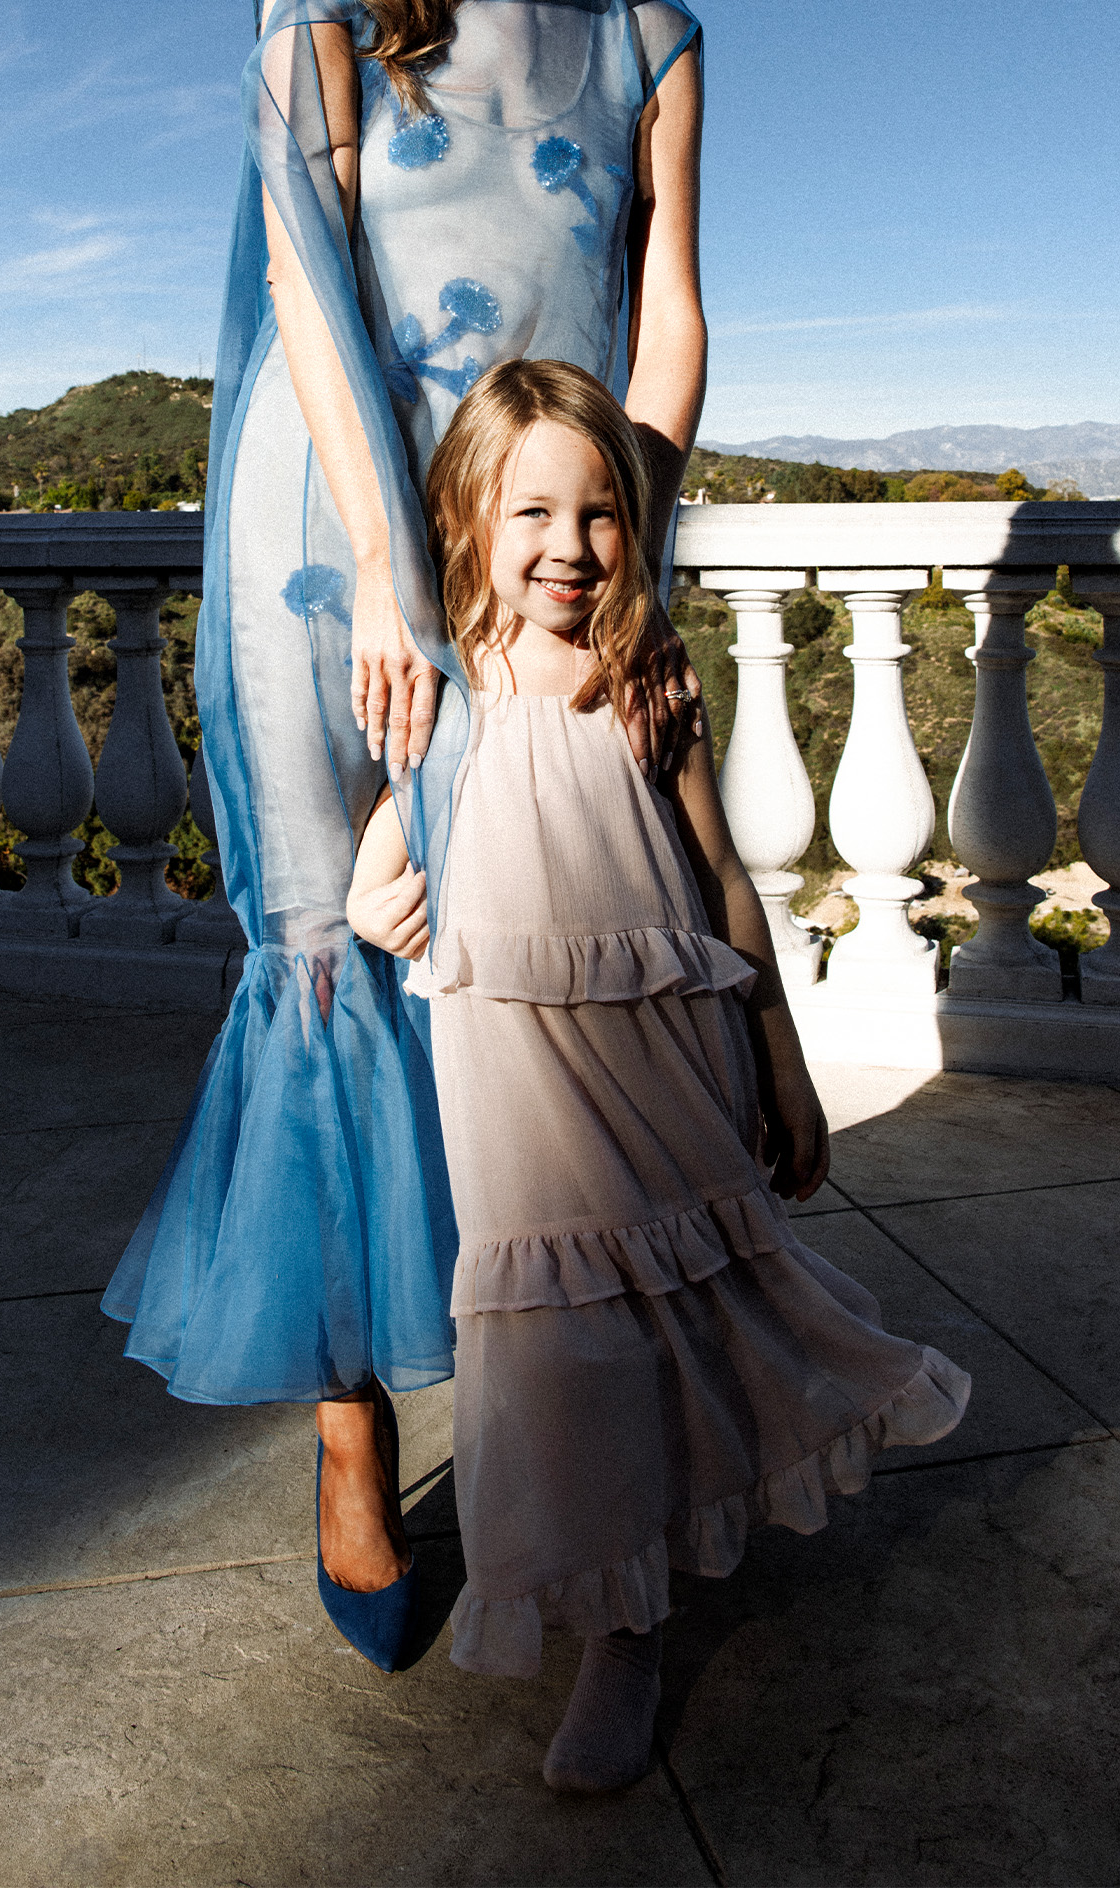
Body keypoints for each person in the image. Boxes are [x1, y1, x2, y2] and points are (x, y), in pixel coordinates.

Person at [102, 0, 709, 1666]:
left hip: (540, 550)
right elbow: (307, 276)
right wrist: (379, 573)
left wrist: (640, 563)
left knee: (538, 974)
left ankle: (562, 1415)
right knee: (329, 953)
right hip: (326, 544)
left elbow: (667, 319)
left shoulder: (644, 28)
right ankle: (352, 1427)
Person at [348, 359, 972, 1791]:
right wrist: (381, 896)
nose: (569, 548)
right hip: (511, 1073)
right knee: (558, 1343)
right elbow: (391, 854)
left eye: (601, 515)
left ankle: (641, 1613)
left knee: (678, 1310)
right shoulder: (439, 682)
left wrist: (787, 1073)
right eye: (532, 512)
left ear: (635, 524)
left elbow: (726, 888)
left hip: (659, 1056)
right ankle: (611, 1624)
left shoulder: (646, 677)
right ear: (467, 516)